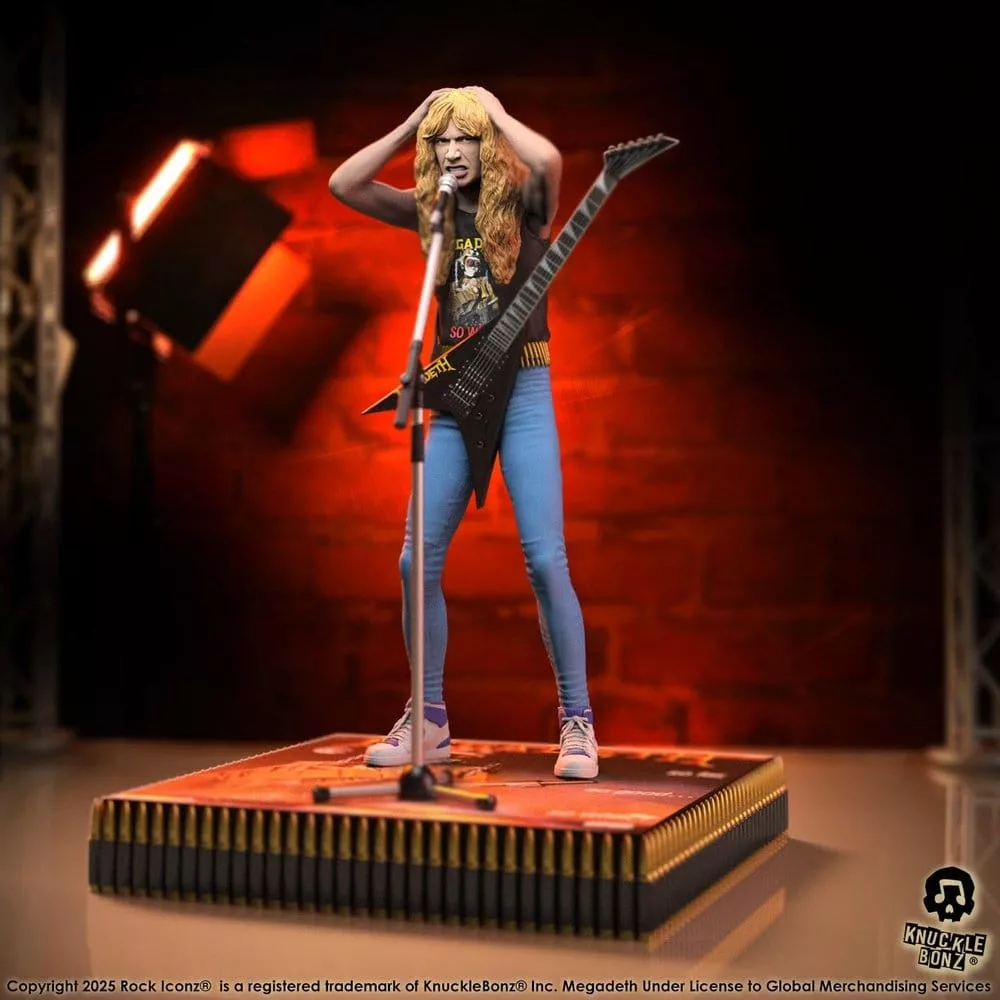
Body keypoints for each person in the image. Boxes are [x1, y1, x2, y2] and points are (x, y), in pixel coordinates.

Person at [328, 86, 598, 779]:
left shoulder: (526, 204)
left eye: (463, 138)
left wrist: (494, 112)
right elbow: (344, 184)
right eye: (442, 141)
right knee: (414, 560)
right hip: (455, 393)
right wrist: (410, 123)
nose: (452, 151)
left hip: (524, 387)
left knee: (545, 560)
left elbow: (550, 159)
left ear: (484, 144)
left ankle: (577, 722)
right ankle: (430, 718)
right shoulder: (432, 210)